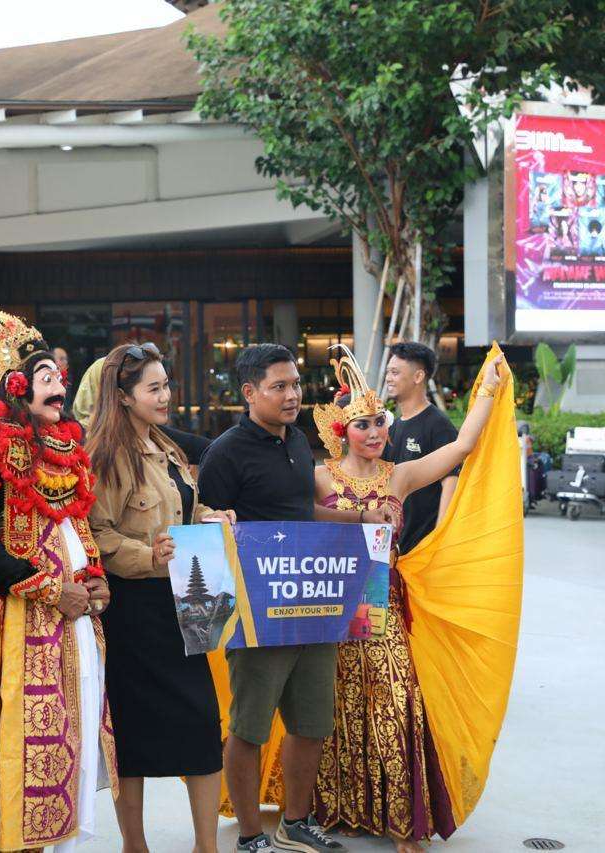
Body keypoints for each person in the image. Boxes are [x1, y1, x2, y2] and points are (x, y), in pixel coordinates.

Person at [307, 346, 510, 852]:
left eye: (380, 423)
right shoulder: (319, 478)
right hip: (325, 609)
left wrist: (488, 386)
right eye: (363, 425)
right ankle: (345, 807)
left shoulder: (398, 475)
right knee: (333, 709)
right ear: (341, 432)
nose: (376, 432)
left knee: (398, 701)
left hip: (383, 608)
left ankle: (404, 822)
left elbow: (462, 446)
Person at [0, 310, 116, 852]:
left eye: (60, 377)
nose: (59, 386)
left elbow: (75, 526)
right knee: (17, 754)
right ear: (16, 387)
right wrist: (48, 589)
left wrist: (95, 579)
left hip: (74, 623)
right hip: (12, 626)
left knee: (75, 744)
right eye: (46, 378)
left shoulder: (63, 442)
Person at [86, 342, 234, 853]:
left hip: (185, 603)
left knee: (201, 722)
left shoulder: (167, 446)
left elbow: (182, 512)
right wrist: (147, 556)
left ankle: (206, 846)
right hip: (134, 613)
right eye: (154, 388)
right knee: (133, 734)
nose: (167, 395)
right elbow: (95, 535)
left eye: (167, 384)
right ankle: (135, 844)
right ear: (124, 397)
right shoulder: (107, 455)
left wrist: (212, 516)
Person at [197, 343, 344, 853]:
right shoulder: (225, 453)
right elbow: (202, 532)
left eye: (296, 384)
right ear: (248, 393)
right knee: (250, 726)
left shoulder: (300, 441)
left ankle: (295, 822)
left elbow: (303, 512)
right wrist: (212, 623)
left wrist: (362, 521)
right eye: (279, 386)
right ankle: (249, 834)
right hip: (256, 616)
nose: (292, 395)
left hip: (312, 608)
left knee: (311, 722)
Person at [384, 342, 459, 554]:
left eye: (395, 372)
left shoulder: (438, 425)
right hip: (397, 546)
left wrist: (439, 539)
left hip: (424, 548)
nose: (388, 378)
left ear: (418, 377)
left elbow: (451, 483)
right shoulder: (394, 427)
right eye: (388, 372)